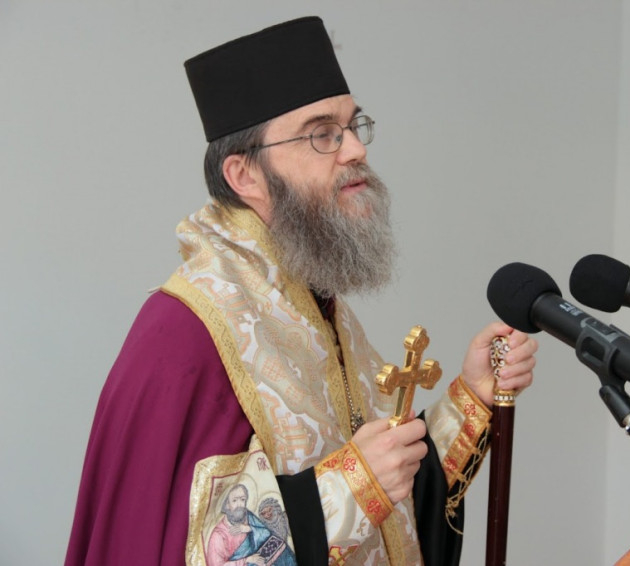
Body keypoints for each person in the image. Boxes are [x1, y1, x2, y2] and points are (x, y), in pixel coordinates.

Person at [64, 16, 537, 566]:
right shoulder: (184, 331)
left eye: (353, 125)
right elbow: (178, 549)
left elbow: (390, 507)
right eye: (323, 134)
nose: (355, 149)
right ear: (245, 176)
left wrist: (471, 398)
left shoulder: (314, 303)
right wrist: (356, 484)